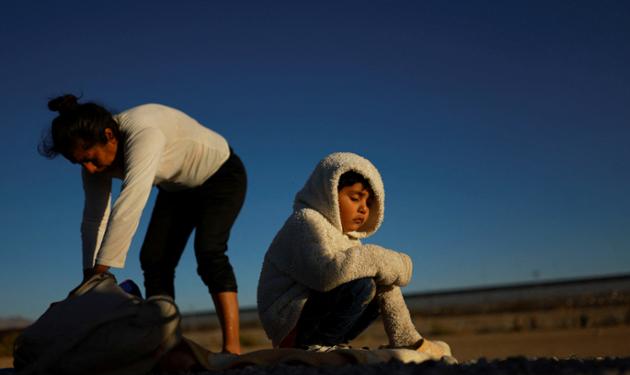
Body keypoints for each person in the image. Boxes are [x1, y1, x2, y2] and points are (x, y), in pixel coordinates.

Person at [41, 95, 247, 354]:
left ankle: (233, 347)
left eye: (91, 159)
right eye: (80, 162)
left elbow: (131, 202)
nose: (90, 169)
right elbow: (95, 217)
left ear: (109, 135)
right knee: (154, 259)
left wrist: (99, 273)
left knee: (209, 252)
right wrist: (88, 277)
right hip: (176, 188)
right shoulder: (92, 158)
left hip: (222, 175)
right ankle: (167, 347)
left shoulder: (142, 132)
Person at [257, 152, 452, 358]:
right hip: (288, 322)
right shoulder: (305, 222)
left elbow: (362, 270)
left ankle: (406, 339)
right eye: (355, 198)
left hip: (311, 316)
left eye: (368, 202)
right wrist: (377, 256)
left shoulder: (347, 238)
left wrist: (382, 266)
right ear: (328, 193)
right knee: (363, 283)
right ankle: (312, 345)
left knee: (378, 280)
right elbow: (325, 275)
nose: (363, 209)